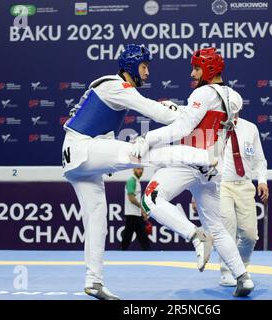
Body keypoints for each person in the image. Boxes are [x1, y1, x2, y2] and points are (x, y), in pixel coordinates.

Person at [62, 44, 212, 300]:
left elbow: (103, 129)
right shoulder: (115, 86)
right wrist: (189, 112)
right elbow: (155, 112)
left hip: (78, 159)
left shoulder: (110, 90)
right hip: (83, 149)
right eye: (144, 67)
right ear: (131, 66)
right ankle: (202, 159)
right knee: (142, 153)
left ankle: (93, 281)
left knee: (97, 220)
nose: (147, 73)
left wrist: (109, 159)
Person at [137, 47, 255, 297]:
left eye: (197, 68)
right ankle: (242, 277)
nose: (192, 72)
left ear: (209, 69)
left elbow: (183, 128)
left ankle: (194, 235)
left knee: (150, 199)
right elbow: (203, 118)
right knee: (218, 228)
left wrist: (148, 137)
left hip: (189, 160)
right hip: (213, 168)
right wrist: (178, 109)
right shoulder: (234, 96)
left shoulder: (203, 92)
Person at [218, 116, 268, 288]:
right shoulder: (212, 125)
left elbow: (259, 159)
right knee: (227, 230)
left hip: (245, 184)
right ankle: (226, 272)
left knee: (250, 235)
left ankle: (241, 269)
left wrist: (262, 180)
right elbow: (203, 159)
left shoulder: (250, 127)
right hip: (221, 184)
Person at [121, 167, 151, 250]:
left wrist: (142, 212)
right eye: (138, 169)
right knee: (130, 237)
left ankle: (148, 251)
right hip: (131, 214)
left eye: (142, 169)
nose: (140, 171)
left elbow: (135, 198)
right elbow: (131, 198)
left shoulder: (137, 182)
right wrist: (142, 208)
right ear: (133, 169)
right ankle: (148, 251)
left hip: (135, 214)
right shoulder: (131, 181)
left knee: (141, 237)